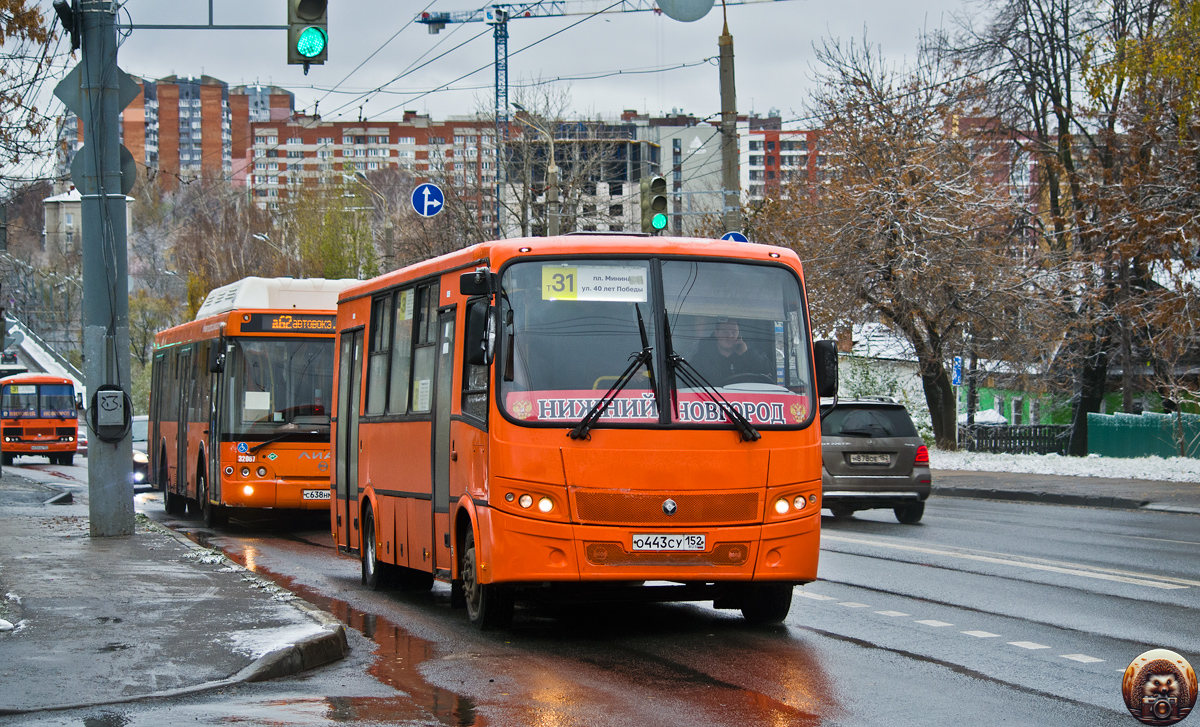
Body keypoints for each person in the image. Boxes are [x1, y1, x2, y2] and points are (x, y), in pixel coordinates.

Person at [688, 318, 773, 385]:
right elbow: (690, 383)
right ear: (716, 333)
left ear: (739, 334)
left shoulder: (751, 355)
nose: (729, 336)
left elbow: (772, 374)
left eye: (734, 332)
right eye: (725, 332)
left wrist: (747, 354)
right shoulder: (701, 360)